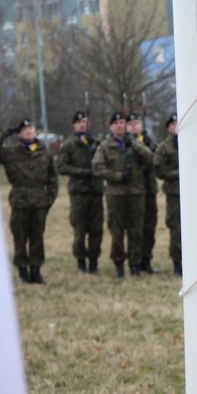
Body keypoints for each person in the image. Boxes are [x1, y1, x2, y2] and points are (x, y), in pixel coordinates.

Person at [0, 118, 58, 284]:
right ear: (19, 133)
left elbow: (53, 179)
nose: (28, 131)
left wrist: (48, 199)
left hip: (39, 201)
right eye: (24, 129)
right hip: (20, 201)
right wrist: (8, 130)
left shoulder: (44, 152)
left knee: (37, 238)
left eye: (31, 128)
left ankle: (36, 271)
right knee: (20, 238)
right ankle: (22, 272)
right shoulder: (11, 152)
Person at [92, 111, 154, 278]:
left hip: (136, 193)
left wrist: (134, 145)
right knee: (117, 231)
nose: (120, 126)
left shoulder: (134, 143)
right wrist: (117, 177)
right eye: (116, 123)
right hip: (115, 194)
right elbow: (97, 168)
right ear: (111, 127)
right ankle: (119, 264)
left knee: (136, 231)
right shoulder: (105, 146)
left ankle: (135, 264)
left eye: (122, 123)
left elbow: (150, 159)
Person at [55, 111, 104, 274]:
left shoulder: (96, 142)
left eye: (84, 121)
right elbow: (61, 167)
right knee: (80, 229)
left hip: (95, 191)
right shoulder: (69, 145)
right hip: (79, 192)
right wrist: (82, 172)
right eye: (79, 122)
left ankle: (94, 261)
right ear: (74, 125)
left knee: (96, 229)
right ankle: (81, 263)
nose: (82, 124)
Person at [127, 112, 158, 274]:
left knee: (149, 227)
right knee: (135, 228)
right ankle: (135, 261)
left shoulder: (148, 142)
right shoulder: (124, 143)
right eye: (130, 124)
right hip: (133, 191)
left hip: (149, 189)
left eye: (137, 123)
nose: (134, 126)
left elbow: (155, 160)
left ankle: (147, 260)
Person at [154, 113, 182, 277]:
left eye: (178, 123)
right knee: (176, 229)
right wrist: (178, 174)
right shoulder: (164, 147)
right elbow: (159, 170)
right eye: (173, 124)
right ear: (168, 128)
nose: (176, 126)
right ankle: (177, 263)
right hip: (174, 194)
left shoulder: (190, 142)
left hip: (192, 195)